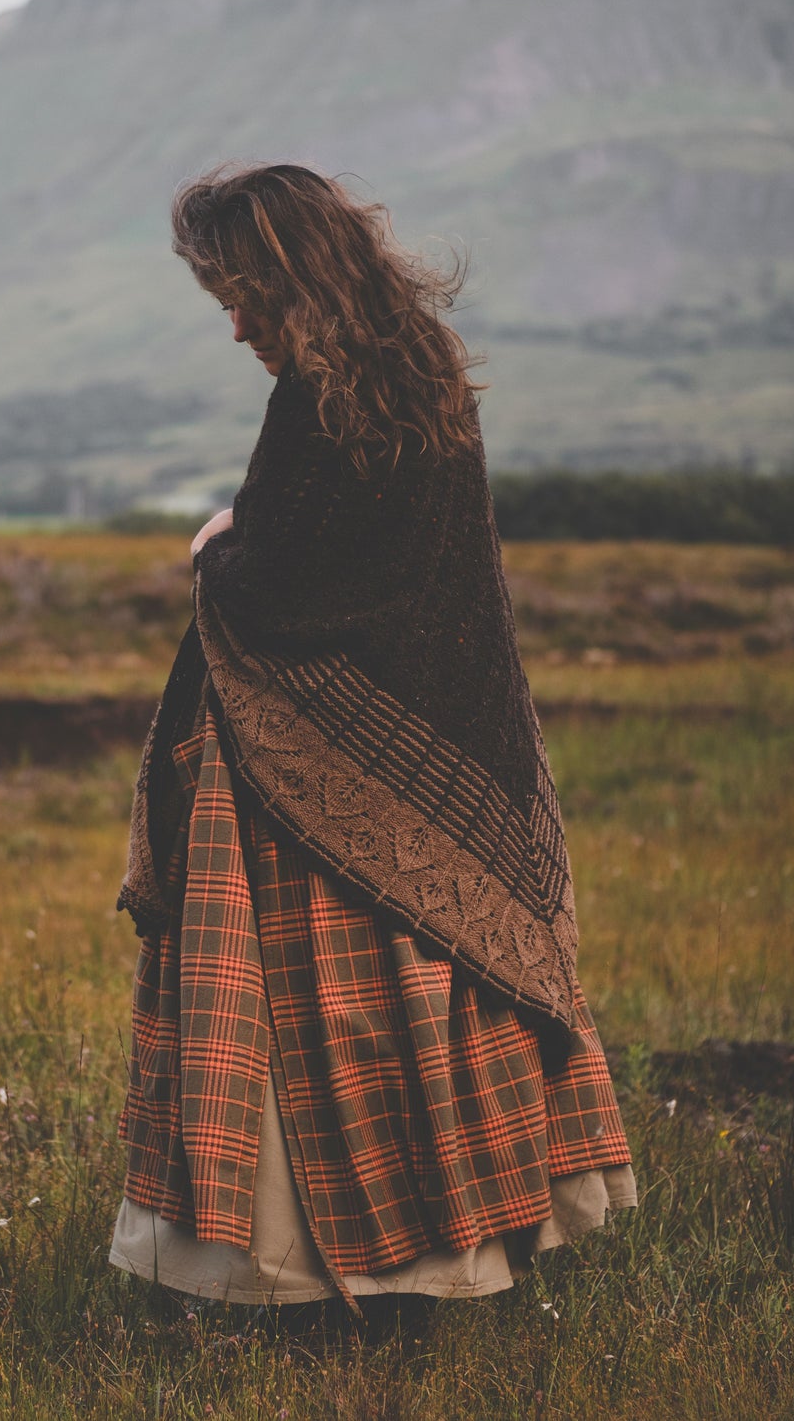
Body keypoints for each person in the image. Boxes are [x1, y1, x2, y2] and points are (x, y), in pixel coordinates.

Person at [108, 163, 635, 1326]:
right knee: (424, 990)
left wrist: (211, 547)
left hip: (305, 779)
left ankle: (299, 1273)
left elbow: (286, 592)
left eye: (243, 297)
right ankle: (455, 1251)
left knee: (321, 1007)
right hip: (429, 737)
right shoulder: (423, 375)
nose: (237, 324)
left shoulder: (316, 401)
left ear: (290, 278)